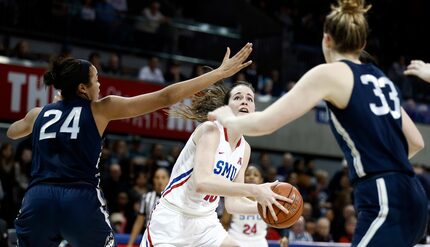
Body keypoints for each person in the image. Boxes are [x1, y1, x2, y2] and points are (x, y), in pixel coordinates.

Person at [209, 1, 428, 246]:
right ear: (362, 44)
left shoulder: (329, 73)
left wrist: (228, 118)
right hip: (414, 194)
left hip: (384, 195)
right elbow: (416, 142)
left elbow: (265, 123)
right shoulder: (381, 78)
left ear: (327, 40)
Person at [6, 42, 253, 247]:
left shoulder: (39, 114)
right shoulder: (101, 108)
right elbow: (165, 97)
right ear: (83, 88)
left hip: (37, 198)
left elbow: (12, 132)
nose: (100, 85)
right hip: (79, 198)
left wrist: (51, 110)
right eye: (95, 80)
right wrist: (219, 73)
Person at [141, 81, 291, 247]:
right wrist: (256, 190)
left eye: (250, 98)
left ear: (254, 109)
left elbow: (233, 203)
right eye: (238, 97)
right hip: (173, 219)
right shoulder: (211, 130)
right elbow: (202, 183)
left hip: (206, 222)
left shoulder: (244, 148)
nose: (244, 101)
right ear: (226, 107)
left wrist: (268, 208)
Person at [221, 165, 268, 247]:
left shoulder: (267, 201)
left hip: (259, 241)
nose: (251, 177)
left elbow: (273, 223)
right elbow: (224, 222)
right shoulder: (234, 198)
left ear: (261, 180)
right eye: (247, 174)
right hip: (236, 239)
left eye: (255, 175)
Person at [127, 168, 170, 247]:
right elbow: (139, 222)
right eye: (157, 177)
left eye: (163, 177)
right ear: (153, 180)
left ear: (169, 179)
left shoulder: (174, 198)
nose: (160, 181)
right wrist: (130, 244)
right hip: (150, 239)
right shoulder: (146, 197)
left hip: (168, 239)